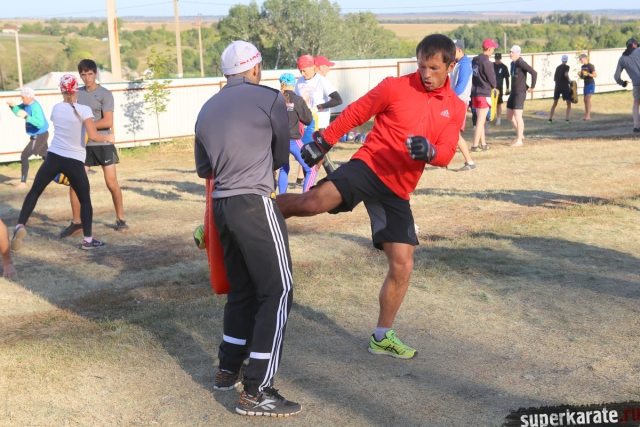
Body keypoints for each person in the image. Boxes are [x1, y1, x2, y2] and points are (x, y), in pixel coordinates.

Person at [276, 34, 466, 359]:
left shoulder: (455, 107)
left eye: (434, 68)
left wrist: (431, 152)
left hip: (397, 188)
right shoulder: (394, 87)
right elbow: (356, 112)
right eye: (421, 65)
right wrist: (323, 142)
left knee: (403, 264)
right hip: (369, 166)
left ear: (450, 67)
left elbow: (448, 151)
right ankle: (243, 214)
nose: (425, 73)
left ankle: (381, 336)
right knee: (310, 203)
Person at [194, 41, 301, 417]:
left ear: (226, 73)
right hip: (254, 201)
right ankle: (258, 390)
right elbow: (280, 155)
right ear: (255, 69)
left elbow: (204, 168)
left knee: (241, 291)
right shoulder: (269, 98)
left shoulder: (206, 108)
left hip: (221, 206)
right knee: (278, 290)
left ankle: (228, 370)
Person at [11, 75, 113, 252]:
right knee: (85, 200)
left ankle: (20, 225)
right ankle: (88, 240)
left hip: (53, 157)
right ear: (76, 90)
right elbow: (94, 136)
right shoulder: (84, 110)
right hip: (74, 161)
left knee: (35, 191)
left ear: (61, 90)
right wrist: (109, 137)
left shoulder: (56, 108)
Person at [59, 59, 129, 239]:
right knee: (75, 183)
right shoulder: (77, 94)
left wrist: (86, 126)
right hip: (82, 146)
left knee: (111, 183)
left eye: (90, 74)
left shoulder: (105, 94)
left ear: (95, 74)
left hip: (103, 144)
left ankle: (120, 219)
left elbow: (107, 121)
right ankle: (76, 222)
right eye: (83, 74)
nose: (87, 78)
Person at [295, 55, 342, 178]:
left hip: (320, 124)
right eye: (300, 71)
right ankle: (307, 186)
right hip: (306, 124)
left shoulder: (322, 81)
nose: (302, 73)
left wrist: (319, 107)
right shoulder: (300, 81)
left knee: (321, 156)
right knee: (307, 156)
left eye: (304, 70)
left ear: (313, 67)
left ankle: (337, 181)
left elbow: (338, 100)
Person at [277, 73, 314, 193]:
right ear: (294, 85)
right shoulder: (297, 100)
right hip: (293, 140)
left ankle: (281, 198)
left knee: (283, 169)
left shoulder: (275, 99)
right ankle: (307, 199)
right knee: (312, 168)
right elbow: (308, 120)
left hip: (279, 141)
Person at [6, 87, 49, 189]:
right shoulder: (26, 104)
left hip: (39, 135)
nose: (21, 99)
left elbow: (39, 123)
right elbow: (18, 112)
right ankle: (59, 175)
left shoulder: (35, 107)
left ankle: (23, 182)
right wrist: (12, 106)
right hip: (40, 134)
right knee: (46, 157)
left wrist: (26, 117)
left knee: (24, 156)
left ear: (29, 97)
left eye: (23, 97)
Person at [450, 39, 475, 171]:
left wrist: (449, 98)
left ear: (459, 50)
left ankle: (469, 162)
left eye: (452, 49)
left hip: (459, 101)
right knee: (451, 131)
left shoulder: (464, 64)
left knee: (455, 132)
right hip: (456, 100)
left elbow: (461, 86)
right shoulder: (458, 62)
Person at [470, 38, 498, 152]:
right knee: (481, 121)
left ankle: (484, 144)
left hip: (475, 93)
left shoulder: (474, 61)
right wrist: (494, 85)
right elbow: (493, 80)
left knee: (479, 120)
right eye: (493, 48)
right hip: (484, 93)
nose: (493, 50)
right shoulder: (487, 63)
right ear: (489, 49)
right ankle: (475, 146)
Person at [507, 45, 537, 147]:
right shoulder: (512, 64)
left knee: (517, 116)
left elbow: (534, 73)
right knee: (509, 115)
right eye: (510, 52)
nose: (510, 54)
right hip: (513, 92)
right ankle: (520, 135)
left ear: (517, 53)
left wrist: (532, 87)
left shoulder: (521, 62)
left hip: (520, 93)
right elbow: (518, 78)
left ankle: (519, 140)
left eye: (512, 52)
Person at [614, 38, 640, 132]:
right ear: (633, 45)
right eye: (637, 44)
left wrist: (622, 83)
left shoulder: (622, 58)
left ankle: (636, 127)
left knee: (636, 103)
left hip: (636, 84)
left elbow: (616, 76)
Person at [548, 54, 572, 125]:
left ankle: (550, 119)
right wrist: (569, 80)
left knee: (555, 103)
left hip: (557, 87)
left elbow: (555, 78)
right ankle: (567, 120)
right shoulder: (567, 67)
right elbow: (566, 74)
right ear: (566, 60)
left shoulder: (558, 67)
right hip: (564, 87)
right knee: (568, 103)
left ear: (561, 60)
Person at [578, 53, 597, 121]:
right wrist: (580, 74)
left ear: (584, 58)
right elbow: (582, 77)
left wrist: (588, 74)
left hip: (590, 84)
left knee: (587, 98)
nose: (580, 61)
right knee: (585, 100)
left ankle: (588, 116)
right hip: (585, 84)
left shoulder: (590, 66)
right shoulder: (582, 67)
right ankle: (586, 115)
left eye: (581, 59)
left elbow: (595, 75)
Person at [493, 53, 510, 126]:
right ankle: (489, 117)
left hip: (499, 88)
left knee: (498, 104)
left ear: (501, 58)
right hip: (491, 88)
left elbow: (507, 79)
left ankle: (499, 119)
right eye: (496, 59)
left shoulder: (504, 67)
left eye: (498, 59)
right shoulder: (491, 66)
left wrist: (507, 88)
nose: (497, 60)